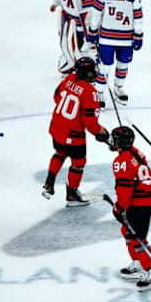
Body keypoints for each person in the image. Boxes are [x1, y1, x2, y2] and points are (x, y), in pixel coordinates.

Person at [42, 56, 110, 206]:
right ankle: (72, 194)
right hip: (73, 134)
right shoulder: (90, 92)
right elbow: (90, 123)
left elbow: (56, 96)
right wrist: (104, 134)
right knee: (78, 162)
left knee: (60, 153)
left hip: (57, 127)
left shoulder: (70, 78)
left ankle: (49, 181)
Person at [107, 125, 151, 292]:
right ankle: (138, 263)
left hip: (140, 204)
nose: (112, 142)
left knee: (137, 238)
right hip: (147, 198)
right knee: (127, 231)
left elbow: (125, 189)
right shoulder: (136, 152)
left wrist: (119, 207)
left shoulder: (120, 161)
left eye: (115, 140)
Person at [87, 0, 142, 105]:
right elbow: (96, 13)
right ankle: (99, 93)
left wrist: (138, 35)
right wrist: (93, 30)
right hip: (107, 39)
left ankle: (119, 87)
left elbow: (138, 16)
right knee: (105, 66)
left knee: (123, 64)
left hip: (126, 39)